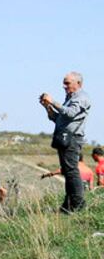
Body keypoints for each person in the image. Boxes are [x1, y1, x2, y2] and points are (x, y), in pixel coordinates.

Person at [40, 71, 91, 213]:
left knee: (71, 171)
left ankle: (78, 204)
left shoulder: (82, 97)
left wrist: (52, 101)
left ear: (78, 83)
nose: (64, 86)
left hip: (72, 139)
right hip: (64, 138)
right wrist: (47, 107)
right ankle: (69, 205)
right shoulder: (70, 98)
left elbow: (69, 113)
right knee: (68, 172)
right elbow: (58, 118)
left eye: (67, 83)